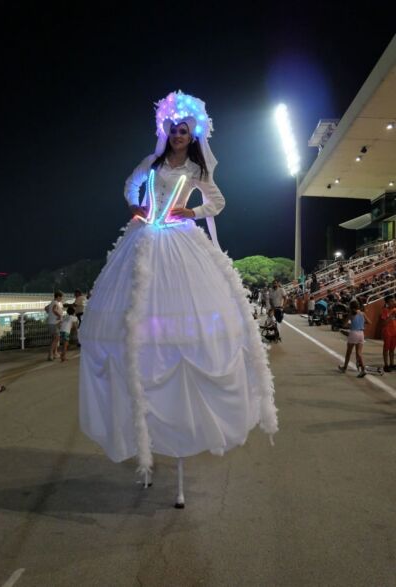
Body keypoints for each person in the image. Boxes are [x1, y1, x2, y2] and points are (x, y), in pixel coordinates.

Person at [78, 90, 278, 501]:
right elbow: (129, 185)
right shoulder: (151, 164)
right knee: (135, 320)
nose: (178, 136)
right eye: (174, 130)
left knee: (185, 319)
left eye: (184, 131)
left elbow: (217, 202)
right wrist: (136, 207)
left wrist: (192, 212)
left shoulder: (195, 170)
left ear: (193, 135)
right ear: (167, 132)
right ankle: (146, 437)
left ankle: (178, 435)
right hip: (144, 241)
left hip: (180, 243)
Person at [338, 299, 371, 377]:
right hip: (361, 334)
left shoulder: (351, 314)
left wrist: (351, 325)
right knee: (359, 353)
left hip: (353, 333)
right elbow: (369, 322)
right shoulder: (362, 314)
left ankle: (344, 367)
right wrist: (362, 323)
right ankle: (363, 369)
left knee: (348, 352)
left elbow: (344, 325)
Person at [45, 291, 63, 361]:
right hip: (54, 323)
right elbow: (54, 309)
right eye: (61, 297)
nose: (61, 298)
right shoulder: (55, 303)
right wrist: (59, 315)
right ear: (58, 296)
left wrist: (50, 315)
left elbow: (46, 308)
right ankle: (50, 354)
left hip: (51, 323)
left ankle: (55, 353)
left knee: (54, 339)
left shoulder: (52, 302)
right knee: (56, 339)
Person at [380, 295, 396, 372]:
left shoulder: (395, 309)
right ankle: (386, 365)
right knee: (386, 349)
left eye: (394, 300)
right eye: (392, 301)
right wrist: (391, 317)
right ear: (387, 303)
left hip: (394, 332)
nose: (394, 302)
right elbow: (383, 323)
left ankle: (392, 364)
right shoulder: (385, 310)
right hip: (387, 332)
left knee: (392, 349)